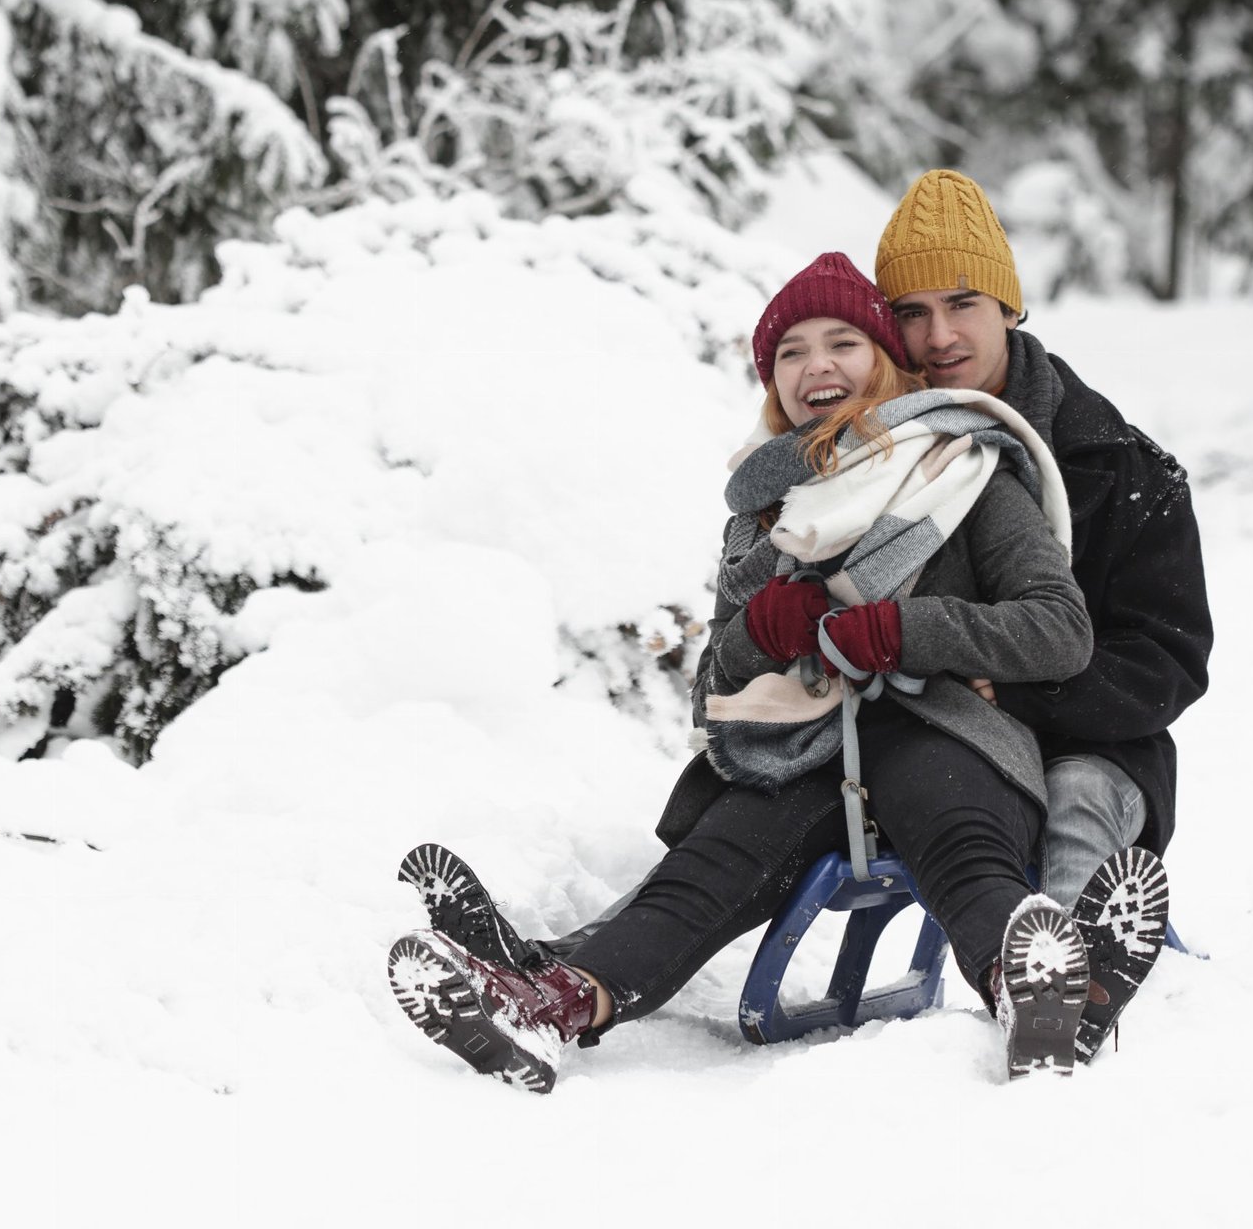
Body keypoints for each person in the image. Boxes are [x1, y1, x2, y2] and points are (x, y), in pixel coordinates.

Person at [389, 253, 1099, 1092]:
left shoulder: (963, 466)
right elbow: (715, 695)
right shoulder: (764, 510)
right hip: (803, 749)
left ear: (884, 359)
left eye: (843, 342)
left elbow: (1060, 630)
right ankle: (550, 1007)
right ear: (772, 380)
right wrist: (761, 631)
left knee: (960, 842)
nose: (818, 366)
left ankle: (1035, 995)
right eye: (791, 353)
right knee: (710, 866)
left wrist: (903, 629)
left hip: (947, 731)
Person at [873, 169, 1211, 1054]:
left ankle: (1062, 993)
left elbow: (1168, 660)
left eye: (963, 302)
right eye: (910, 311)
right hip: (932, 740)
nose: (938, 335)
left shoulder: (1124, 467)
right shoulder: (869, 452)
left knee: (1078, 795)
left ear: (1010, 306)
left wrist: (1019, 694)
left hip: (1090, 738)